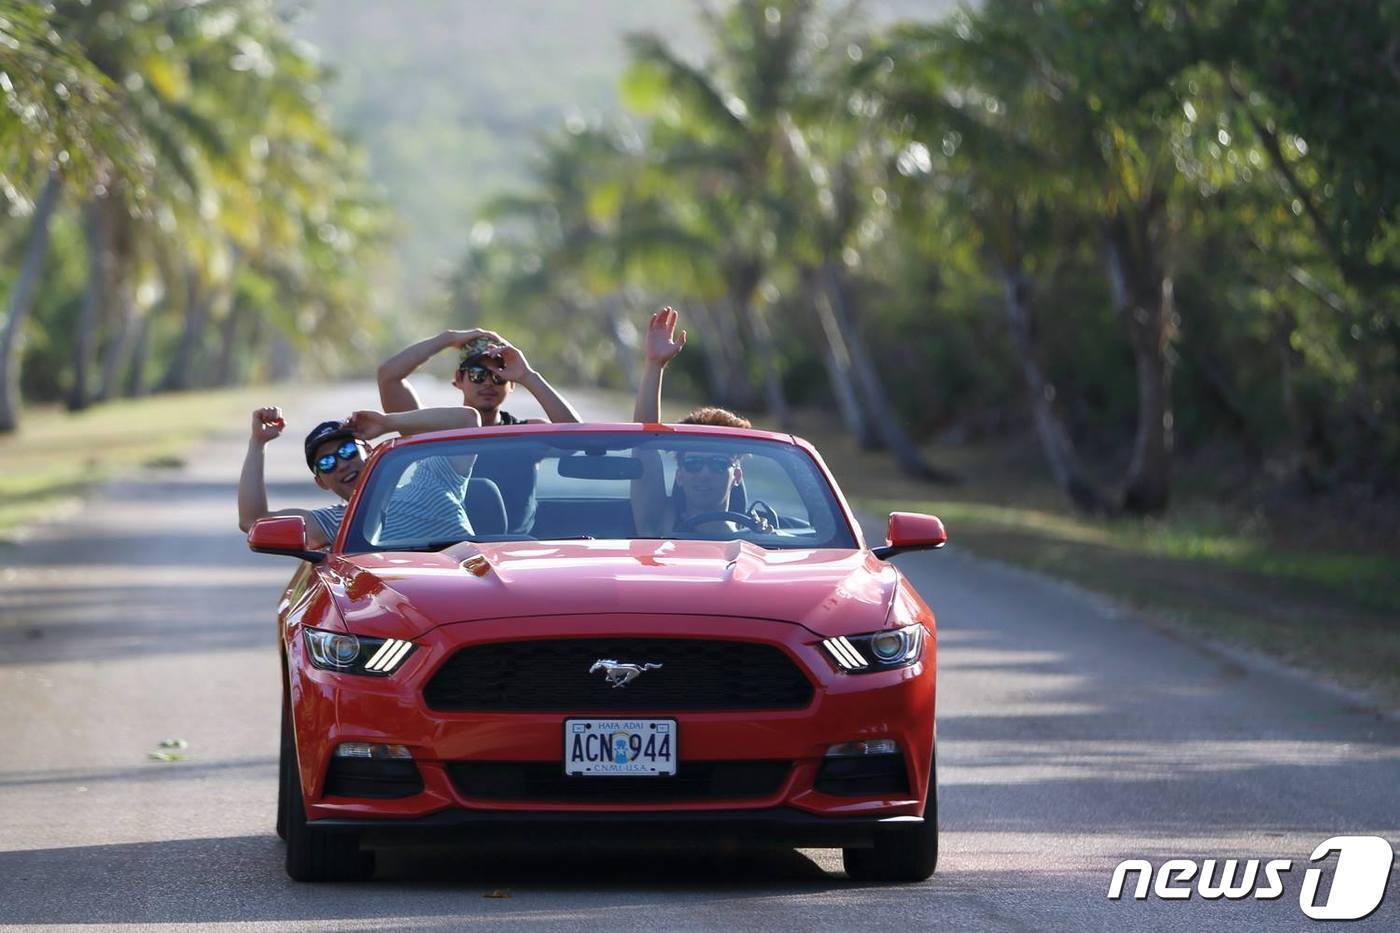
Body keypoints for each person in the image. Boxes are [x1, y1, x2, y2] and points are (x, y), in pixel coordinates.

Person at [377, 329, 580, 532]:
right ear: (459, 378)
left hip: (514, 553)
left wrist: (527, 376)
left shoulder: (527, 434)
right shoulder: (433, 431)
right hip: (444, 547)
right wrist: (447, 339)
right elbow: (388, 376)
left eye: (499, 375)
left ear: (511, 384)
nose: (488, 382)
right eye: (477, 374)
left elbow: (577, 440)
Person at [237, 405, 482, 549]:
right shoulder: (336, 522)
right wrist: (258, 442)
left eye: (347, 451)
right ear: (321, 482)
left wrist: (388, 422)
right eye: (327, 463)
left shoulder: (433, 479)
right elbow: (252, 521)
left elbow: (469, 421)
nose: (342, 464)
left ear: (370, 450)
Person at [629, 307, 759, 537]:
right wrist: (654, 365)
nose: (705, 474)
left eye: (719, 465)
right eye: (694, 464)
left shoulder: (761, 539)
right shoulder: (659, 525)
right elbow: (643, 445)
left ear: (736, 475)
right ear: (679, 475)